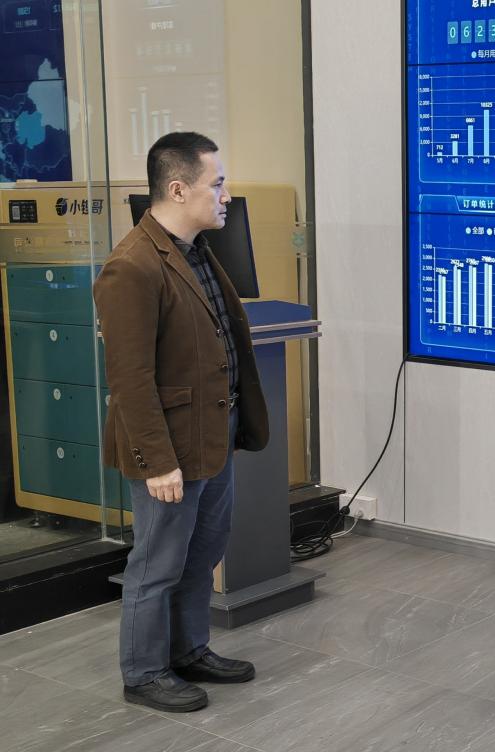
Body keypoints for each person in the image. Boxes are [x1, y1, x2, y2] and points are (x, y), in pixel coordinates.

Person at [95, 132, 269, 713]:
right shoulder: (131, 267)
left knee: (202, 551)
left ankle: (188, 649)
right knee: (158, 562)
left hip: (212, 433)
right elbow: (130, 378)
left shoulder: (195, 250)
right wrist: (157, 462)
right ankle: (144, 672)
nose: (226, 195)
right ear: (176, 189)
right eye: (216, 184)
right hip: (168, 447)